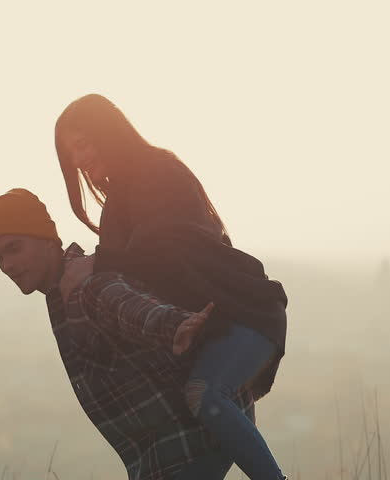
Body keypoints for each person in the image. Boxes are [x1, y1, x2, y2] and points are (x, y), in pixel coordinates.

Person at [54, 94, 288, 479]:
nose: (78, 159)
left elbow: (166, 247)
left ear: (108, 132)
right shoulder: (119, 200)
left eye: (83, 144)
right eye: (70, 153)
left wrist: (96, 264)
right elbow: (129, 282)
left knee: (204, 395)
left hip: (244, 315)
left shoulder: (158, 171)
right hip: (211, 328)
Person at [0, 188, 256, 479]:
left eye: (14, 248)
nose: (7, 266)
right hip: (163, 458)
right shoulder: (61, 296)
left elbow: (130, 307)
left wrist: (174, 324)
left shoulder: (85, 285)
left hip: (185, 449)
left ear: (48, 241)